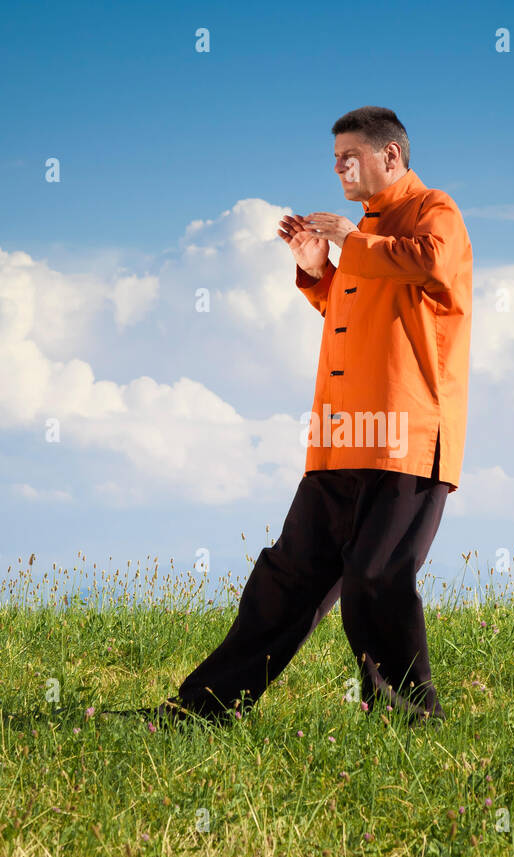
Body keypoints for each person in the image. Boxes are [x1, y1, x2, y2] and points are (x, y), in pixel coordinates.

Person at [144, 106, 472, 728]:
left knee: (376, 577)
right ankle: (200, 711)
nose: (340, 167)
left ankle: (412, 723)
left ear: (392, 156)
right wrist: (319, 268)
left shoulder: (435, 211)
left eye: (352, 156)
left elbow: (429, 264)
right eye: (335, 159)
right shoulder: (365, 235)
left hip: (406, 436)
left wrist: (349, 241)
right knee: (284, 580)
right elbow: (352, 310)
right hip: (339, 439)